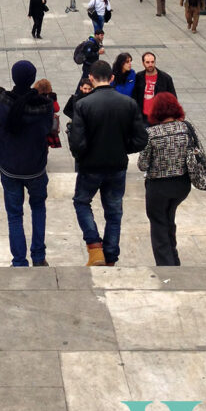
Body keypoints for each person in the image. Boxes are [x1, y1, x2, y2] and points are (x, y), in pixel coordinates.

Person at [69, 60, 148, 266]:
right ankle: (111, 256)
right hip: (117, 165)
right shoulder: (128, 103)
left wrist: (84, 154)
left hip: (91, 166)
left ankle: (95, 246)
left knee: (81, 202)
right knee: (114, 211)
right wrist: (122, 147)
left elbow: (77, 143)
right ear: (112, 78)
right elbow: (141, 139)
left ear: (92, 79)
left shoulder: (83, 105)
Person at [0, 61, 54, 267]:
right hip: (35, 167)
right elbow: (47, 129)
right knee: (38, 209)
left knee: (14, 215)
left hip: (10, 166)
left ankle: (19, 260)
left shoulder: (0, 102)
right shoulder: (44, 105)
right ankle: (38, 256)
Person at [138, 93, 202, 266]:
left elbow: (142, 165)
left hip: (158, 186)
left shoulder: (151, 133)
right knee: (169, 219)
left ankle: (167, 266)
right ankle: (174, 258)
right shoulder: (187, 128)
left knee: (158, 224)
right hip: (181, 184)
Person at [132, 52, 177, 123]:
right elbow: (135, 96)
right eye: (147, 62)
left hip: (159, 118)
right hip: (143, 118)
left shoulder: (165, 78)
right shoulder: (138, 77)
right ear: (143, 63)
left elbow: (173, 98)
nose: (150, 65)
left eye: (152, 62)